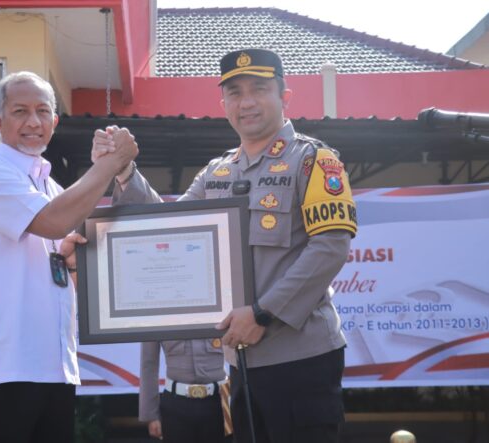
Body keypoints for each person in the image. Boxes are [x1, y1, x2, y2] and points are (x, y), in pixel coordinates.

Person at [92, 49, 357, 443]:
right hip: (240, 365)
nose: (246, 102)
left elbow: (330, 247)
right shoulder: (216, 173)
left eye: (259, 89)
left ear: (285, 95)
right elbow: (166, 228)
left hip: (302, 359)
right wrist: (125, 171)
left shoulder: (314, 161)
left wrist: (262, 314)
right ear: (223, 104)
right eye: (234, 92)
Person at [0, 71, 137, 443]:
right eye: (20, 111)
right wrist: (108, 164)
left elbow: (63, 264)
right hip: (8, 366)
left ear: (54, 122)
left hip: (56, 366)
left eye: (43, 112)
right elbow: (54, 222)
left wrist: (71, 263)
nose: (33, 122)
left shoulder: (52, 186)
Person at [138, 338, 231, 442]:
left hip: (220, 403)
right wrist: (151, 416)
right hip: (176, 406)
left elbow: (238, 356)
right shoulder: (156, 320)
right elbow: (149, 364)